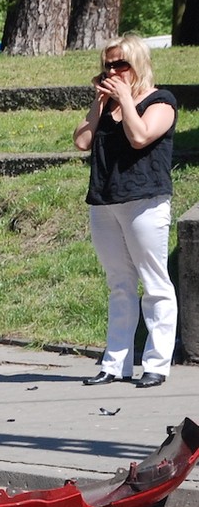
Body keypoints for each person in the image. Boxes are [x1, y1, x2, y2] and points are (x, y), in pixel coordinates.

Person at [72, 33, 177, 387]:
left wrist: (126, 100)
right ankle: (115, 363)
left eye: (121, 64)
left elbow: (140, 136)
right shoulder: (107, 105)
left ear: (138, 65)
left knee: (154, 283)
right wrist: (100, 103)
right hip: (105, 201)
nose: (113, 71)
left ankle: (156, 364)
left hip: (144, 201)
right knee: (119, 283)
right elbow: (82, 140)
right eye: (108, 65)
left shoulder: (160, 101)